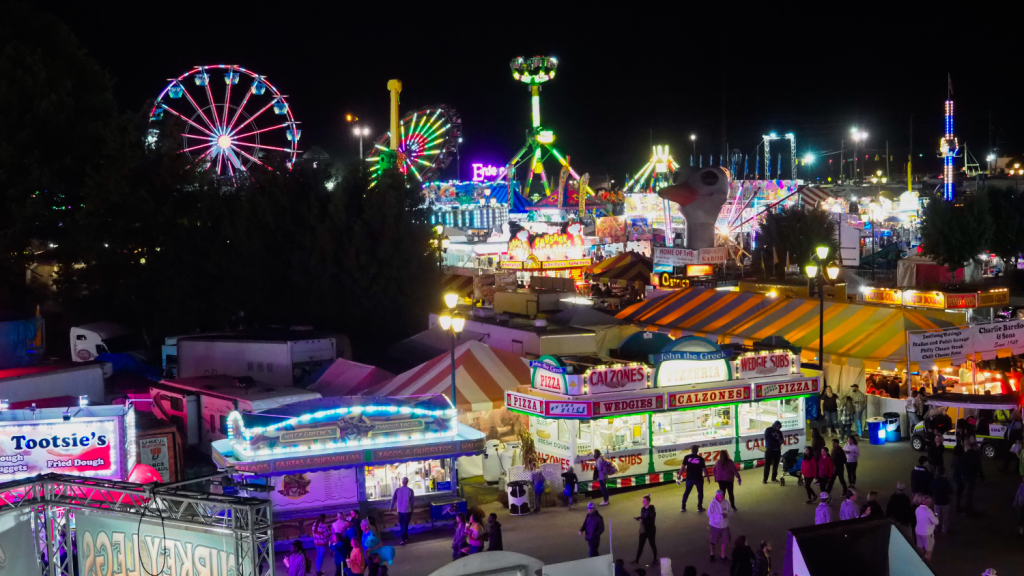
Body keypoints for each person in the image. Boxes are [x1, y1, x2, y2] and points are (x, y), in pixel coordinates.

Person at [679, 445, 710, 512]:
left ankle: (683, 507)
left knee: (687, 492)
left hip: (689, 478)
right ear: (697, 451)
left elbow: (683, 467)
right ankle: (699, 507)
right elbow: (704, 469)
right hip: (698, 478)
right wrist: (707, 477)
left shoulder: (686, 457)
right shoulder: (701, 459)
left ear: (691, 450)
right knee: (700, 493)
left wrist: (679, 475)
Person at [959, 441, 985, 514]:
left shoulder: (965, 455)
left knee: (967, 492)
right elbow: (979, 467)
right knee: (969, 493)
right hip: (971, 476)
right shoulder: (976, 456)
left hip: (964, 475)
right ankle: (968, 509)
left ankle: (968, 507)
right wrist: (982, 477)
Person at [632, 494, 658, 566]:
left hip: (650, 530)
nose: (643, 502)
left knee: (652, 544)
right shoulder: (642, 509)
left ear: (648, 502)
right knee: (640, 545)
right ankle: (636, 560)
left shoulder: (651, 510)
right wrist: (639, 518)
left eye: (644, 501)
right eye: (642, 500)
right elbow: (643, 517)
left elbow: (652, 520)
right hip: (644, 530)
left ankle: (655, 559)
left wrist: (642, 521)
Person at [707, 489, 732, 562]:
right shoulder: (712, 504)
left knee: (724, 541)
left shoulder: (726, 503)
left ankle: (723, 555)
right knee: (713, 540)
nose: (722, 496)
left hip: (725, 526)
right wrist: (720, 516)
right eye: (720, 495)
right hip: (715, 526)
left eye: (723, 495)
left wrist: (727, 514)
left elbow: (731, 511)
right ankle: (712, 554)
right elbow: (709, 514)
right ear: (716, 496)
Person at [389, 477, 415, 545]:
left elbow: (393, 499)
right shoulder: (410, 490)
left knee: (402, 525)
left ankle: (404, 538)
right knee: (405, 525)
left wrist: (391, 508)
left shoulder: (397, 490)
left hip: (400, 510)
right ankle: (404, 539)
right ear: (407, 482)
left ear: (402, 482)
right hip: (408, 510)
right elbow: (412, 502)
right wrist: (412, 509)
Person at [915, 496, 939, 562]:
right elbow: (936, 522)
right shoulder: (928, 511)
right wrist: (936, 516)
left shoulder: (917, 509)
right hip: (927, 533)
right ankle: (926, 564)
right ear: (928, 503)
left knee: (920, 548)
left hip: (918, 531)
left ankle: (919, 562)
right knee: (929, 551)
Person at [930, 466, 952, 533]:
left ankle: (936, 527)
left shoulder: (934, 481)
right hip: (945, 502)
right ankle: (944, 529)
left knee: (936, 515)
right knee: (945, 517)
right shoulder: (946, 482)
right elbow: (950, 492)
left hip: (937, 501)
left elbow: (930, 490)